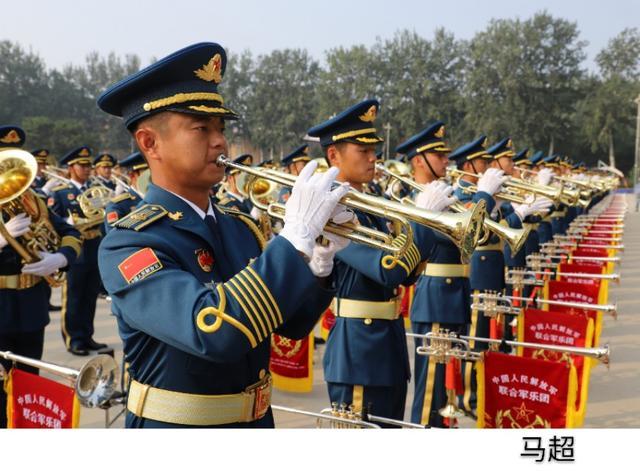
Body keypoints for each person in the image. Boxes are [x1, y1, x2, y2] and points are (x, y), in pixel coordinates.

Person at [96, 41, 350, 428]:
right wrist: (294, 237)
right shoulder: (130, 242)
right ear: (150, 143)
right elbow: (211, 330)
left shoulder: (239, 226)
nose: (220, 141)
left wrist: (317, 261)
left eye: (220, 128)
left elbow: (289, 328)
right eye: (201, 128)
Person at [308, 100, 451, 425]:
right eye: (363, 150)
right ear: (334, 156)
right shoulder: (334, 207)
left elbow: (409, 272)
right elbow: (388, 270)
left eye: (373, 149)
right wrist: (425, 220)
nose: (373, 157)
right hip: (358, 352)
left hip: (386, 347)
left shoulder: (369, 200)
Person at [0, 125, 83, 427]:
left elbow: (70, 233)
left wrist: (60, 258)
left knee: (27, 386)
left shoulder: (32, 197)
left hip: (32, 307)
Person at [47, 146, 108, 355]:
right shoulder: (61, 193)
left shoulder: (95, 189)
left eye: (88, 166)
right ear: (71, 167)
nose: (87, 169)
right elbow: (51, 223)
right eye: (82, 166)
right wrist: (68, 221)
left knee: (90, 295)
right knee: (73, 297)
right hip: (76, 250)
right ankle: (73, 338)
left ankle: (87, 335)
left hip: (94, 247)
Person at [104, 151, 147, 232]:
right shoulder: (117, 206)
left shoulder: (160, 197)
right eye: (146, 172)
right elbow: (115, 238)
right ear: (132, 175)